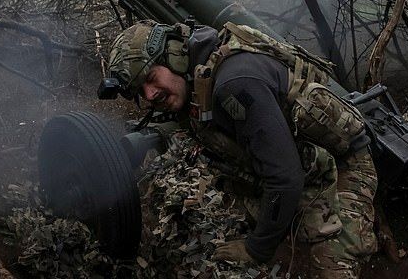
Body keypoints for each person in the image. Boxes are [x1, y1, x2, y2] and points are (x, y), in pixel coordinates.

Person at [102, 19, 378, 279]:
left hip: (345, 163)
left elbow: (285, 178)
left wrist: (256, 249)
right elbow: (192, 122)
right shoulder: (199, 77)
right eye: (141, 91)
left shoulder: (234, 84)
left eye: (151, 77)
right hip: (301, 160)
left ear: (174, 56)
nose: (150, 95)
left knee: (329, 266)